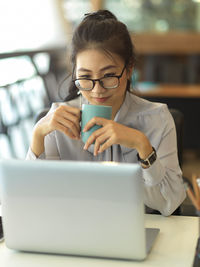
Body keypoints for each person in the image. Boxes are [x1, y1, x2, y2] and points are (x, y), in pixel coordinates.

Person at [26, 10, 186, 216]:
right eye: (85, 77)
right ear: (74, 73)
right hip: (72, 232)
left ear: (129, 70)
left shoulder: (157, 119)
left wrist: (142, 145)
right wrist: (38, 135)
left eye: (109, 75)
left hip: (137, 232)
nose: (97, 90)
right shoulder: (57, 122)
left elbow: (170, 203)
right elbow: (33, 202)